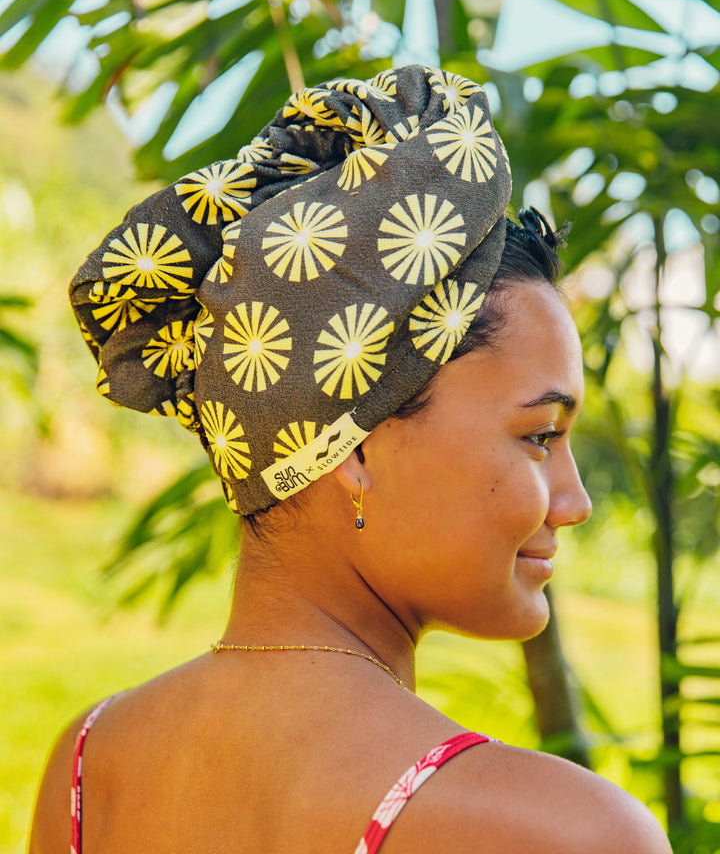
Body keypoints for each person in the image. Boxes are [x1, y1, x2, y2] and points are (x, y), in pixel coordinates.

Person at [30, 65, 671, 854]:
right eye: (540, 436)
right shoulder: (564, 833)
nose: (574, 502)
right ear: (354, 447)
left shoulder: (88, 768)